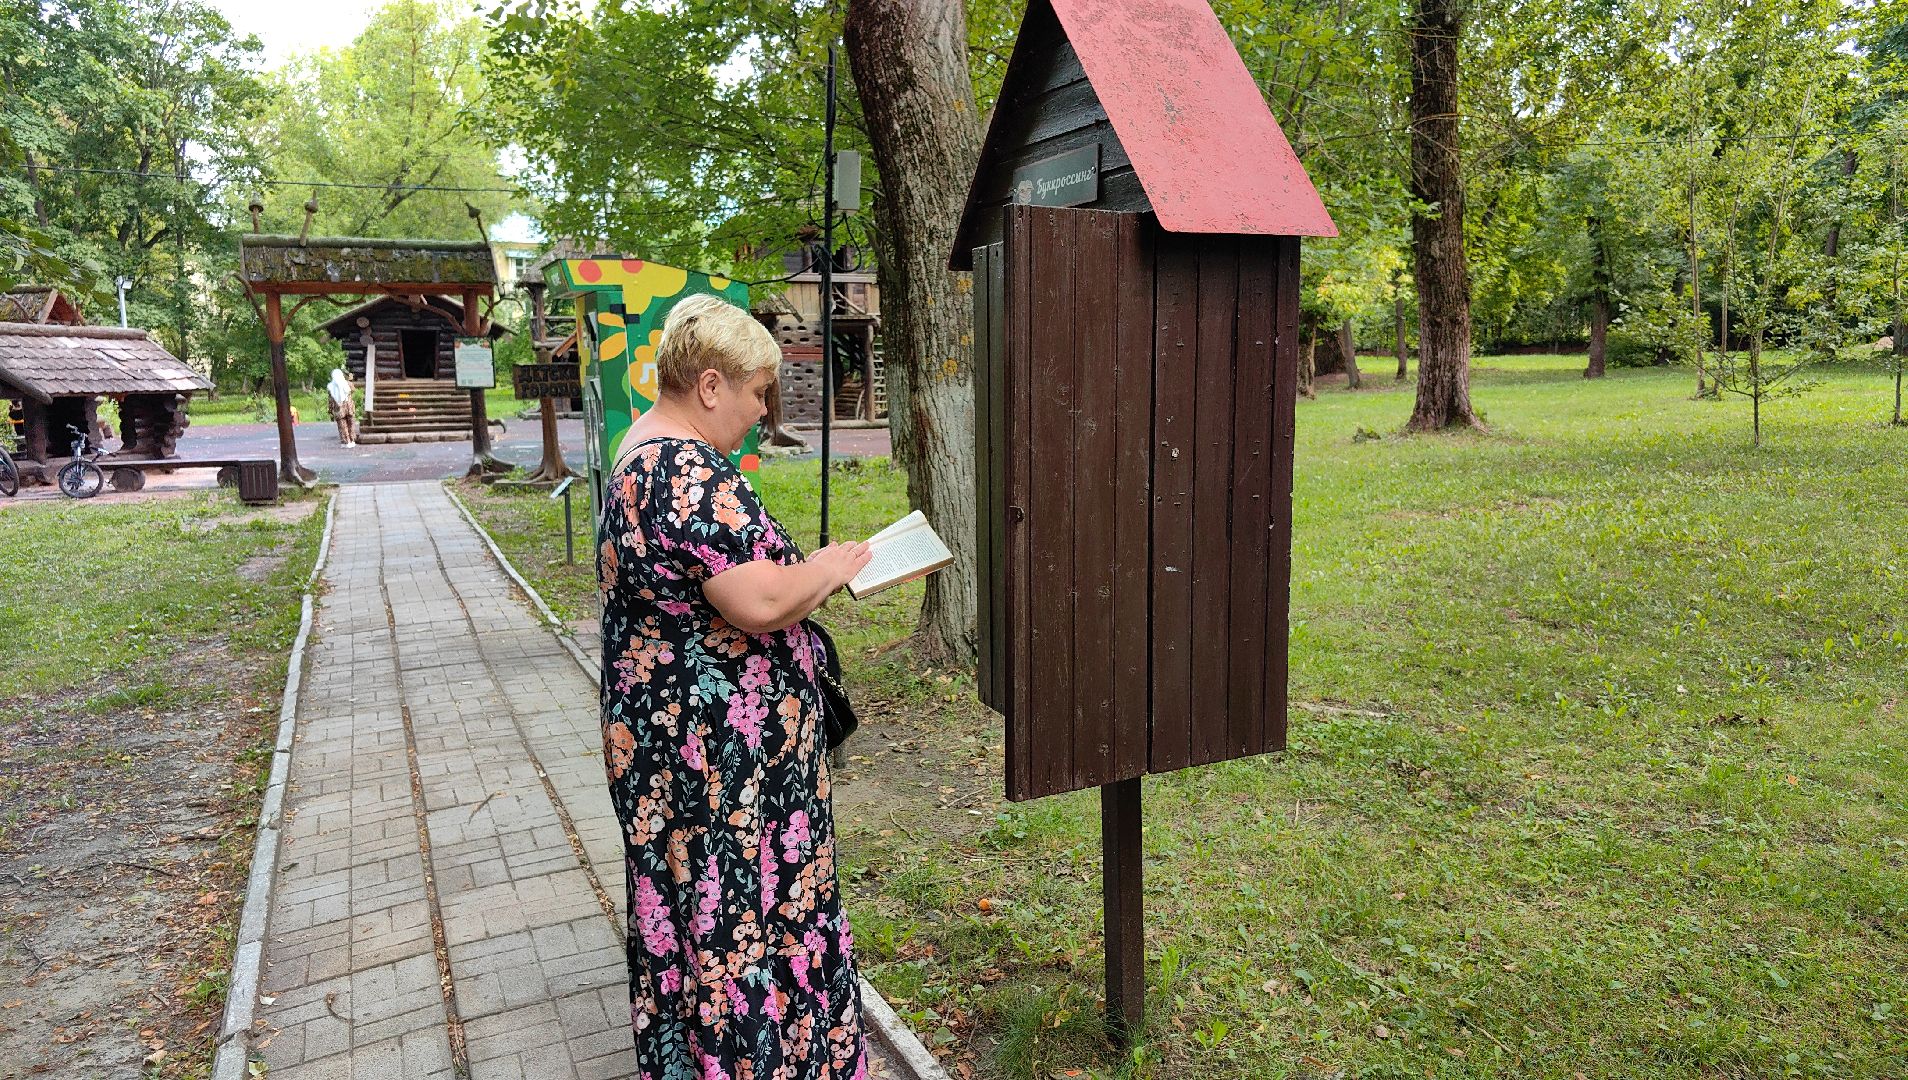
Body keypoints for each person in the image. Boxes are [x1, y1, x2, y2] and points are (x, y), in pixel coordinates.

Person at [598, 293, 873, 1079]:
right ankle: (765, 1063)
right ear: (711, 385)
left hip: (680, 742)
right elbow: (756, 603)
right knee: (741, 910)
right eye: (757, 392)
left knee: (700, 909)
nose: (761, 411)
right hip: (719, 759)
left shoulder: (641, 449)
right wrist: (825, 570)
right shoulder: (680, 467)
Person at [326, 368, 357, 447]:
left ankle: (346, 442)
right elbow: (353, 390)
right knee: (351, 423)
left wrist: (330, 410)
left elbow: (330, 400)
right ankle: (352, 440)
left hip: (338, 408)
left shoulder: (331, 387)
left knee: (342, 425)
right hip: (349, 406)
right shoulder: (348, 384)